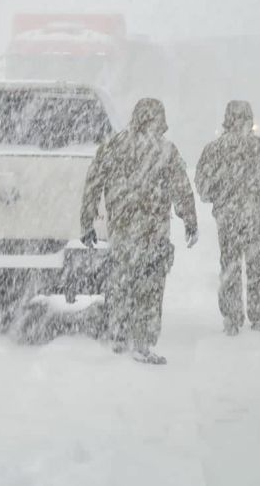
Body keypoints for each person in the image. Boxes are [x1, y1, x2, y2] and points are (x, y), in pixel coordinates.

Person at [80, 98, 198, 365]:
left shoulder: (113, 145)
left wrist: (87, 222)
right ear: (159, 120)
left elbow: (93, 184)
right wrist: (190, 220)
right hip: (154, 232)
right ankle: (143, 341)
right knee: (151, 287)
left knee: (121, 283)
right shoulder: (166, 150)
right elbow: (182, 188)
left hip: (122, 230)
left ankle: (119, 336)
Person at [195, 101, 260, 336]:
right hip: (255, 217)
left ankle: (232, 317)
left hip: (228, 219)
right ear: (250, 120)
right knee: (257, 268)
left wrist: (218, 194)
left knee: (230, 267)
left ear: (226, 121)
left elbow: (202, 185)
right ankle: (257, 316)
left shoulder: (215, 149)